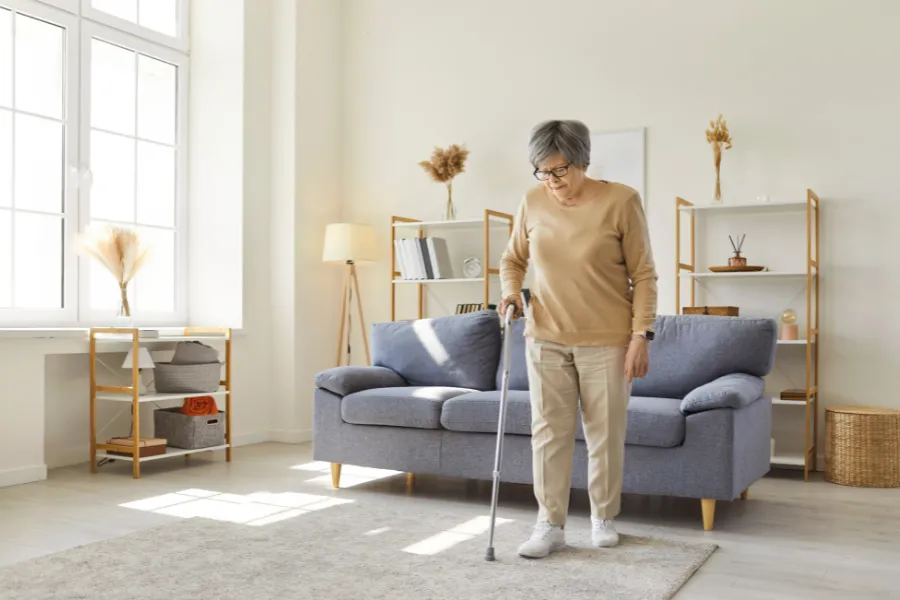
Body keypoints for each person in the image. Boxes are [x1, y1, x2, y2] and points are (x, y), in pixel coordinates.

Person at [499, 119, 658, 558]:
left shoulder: (622, 201)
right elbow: (512, 260)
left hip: (607, 340)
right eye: (543, 172)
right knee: (548, 433)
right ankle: (549, 525)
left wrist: (640, 335)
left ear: (583, 160)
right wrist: (511, 294)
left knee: (605, 433)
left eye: (560, 170)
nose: (551, 181)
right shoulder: (531, 202)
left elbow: (643, 274)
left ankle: (602, 516)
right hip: (545, 337)